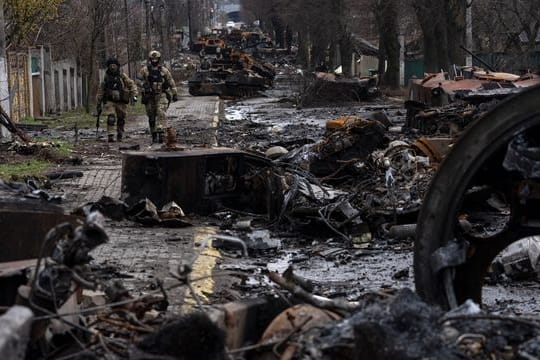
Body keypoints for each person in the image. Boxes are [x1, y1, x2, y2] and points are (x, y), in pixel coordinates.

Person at [139, 50, 178, 143]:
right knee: (151, 117)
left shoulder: (164, 70)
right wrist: (144, 86)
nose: (154, 60)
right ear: (150, 59)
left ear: (159, 59)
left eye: (156, 59)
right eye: (152, 59)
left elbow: (171, 81)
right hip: (149, 97)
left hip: (161, 95)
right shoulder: (144, 70)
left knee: (161, 113)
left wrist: (174, 93)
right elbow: (137, 80)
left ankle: (161, 133)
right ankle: (154, 134)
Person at [96, 58, 138, 142]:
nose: (112, 67)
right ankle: (110, 135)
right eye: (111, 65)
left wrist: (134, 94)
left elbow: (131, 84)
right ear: (108, 66)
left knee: (121, 118)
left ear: (117, 66)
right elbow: (101, 89)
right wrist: (98, 101)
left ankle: (120, 134)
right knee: (111, 117)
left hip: (121, 101)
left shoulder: (122, 76)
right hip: (110, 100)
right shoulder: (106, 77)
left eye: (114, 65)